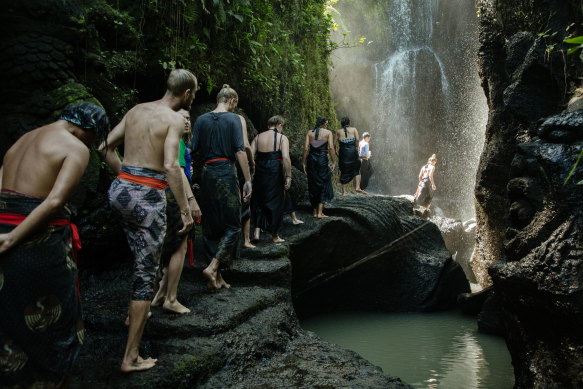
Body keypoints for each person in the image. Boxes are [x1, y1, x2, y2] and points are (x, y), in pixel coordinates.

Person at [0, 102, 110, 387]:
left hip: (4, 233)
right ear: (88, 130)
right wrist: (15, 237)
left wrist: (7, 233)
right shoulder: (76, 148)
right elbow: (54, 201)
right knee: (56, 323)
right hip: (37, 243)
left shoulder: (22, 140)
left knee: (9, 320)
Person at [99, 69, 197, 373]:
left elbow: (104, 148)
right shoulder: (174, 120)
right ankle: (131, 357)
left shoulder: (136, 110)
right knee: (146, 273)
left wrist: (127, 178)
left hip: (119, 192)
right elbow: (170, 165)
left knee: (143, 255)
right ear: (188, 94)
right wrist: (184, 209)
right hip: (148, 197)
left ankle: (135, 314)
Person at [190, 84, 252, 291]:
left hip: (207, 172)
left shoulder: (200, 120)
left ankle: (217, 278)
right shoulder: (234, 119)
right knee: (233, 225)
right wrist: (248, 180)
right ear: (232, 101)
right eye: (235, 104)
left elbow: (191, 148)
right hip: (226, 171)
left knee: (210, 226)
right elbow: (240, 151)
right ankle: (213, 266)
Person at [151, 109, 200, 314]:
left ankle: (160, 294)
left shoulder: (167, 139)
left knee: (169, 244)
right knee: (179, 245)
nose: (187, 121)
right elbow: (178, 171)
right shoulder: (177, 142)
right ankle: (171, 298)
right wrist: (190, 202)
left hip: (163, 192)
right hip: (175, 193)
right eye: (183, 117)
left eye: (189, 117)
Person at [250, 115, 292, 243]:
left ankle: (256, 232)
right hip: (274, 169)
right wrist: (288, 176)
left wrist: (252, 171)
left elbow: (250, 155)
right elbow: (285, 157)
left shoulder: (257, 137)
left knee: (258, 199)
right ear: (279, 125)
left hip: (260, 169)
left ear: (269, 125)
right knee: (275, 201)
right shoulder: (282, 137)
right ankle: (275, 235)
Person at [302, 116, 336, 218]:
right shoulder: (328, 133)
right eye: (326, 123)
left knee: (313, 183)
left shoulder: (309, 133)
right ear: (324, 123)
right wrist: (334, 161)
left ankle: (314, 211)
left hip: (311, 159)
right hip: (322, 159)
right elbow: (330, 147)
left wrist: (304, 163)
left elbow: (305, 148)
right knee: (323, 182)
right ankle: (320, 213)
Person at [336, 117, 364, 195]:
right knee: (356, 168)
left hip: (343, 153)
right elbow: (358, 140)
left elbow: (334, 144)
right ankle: (358, 187)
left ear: (341, 124)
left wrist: (335, 152)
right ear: (349, 123)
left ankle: (344, 192)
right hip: (352, 151)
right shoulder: (354, 129)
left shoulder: (338, 131)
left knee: (344, 169)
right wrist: (356, 148)